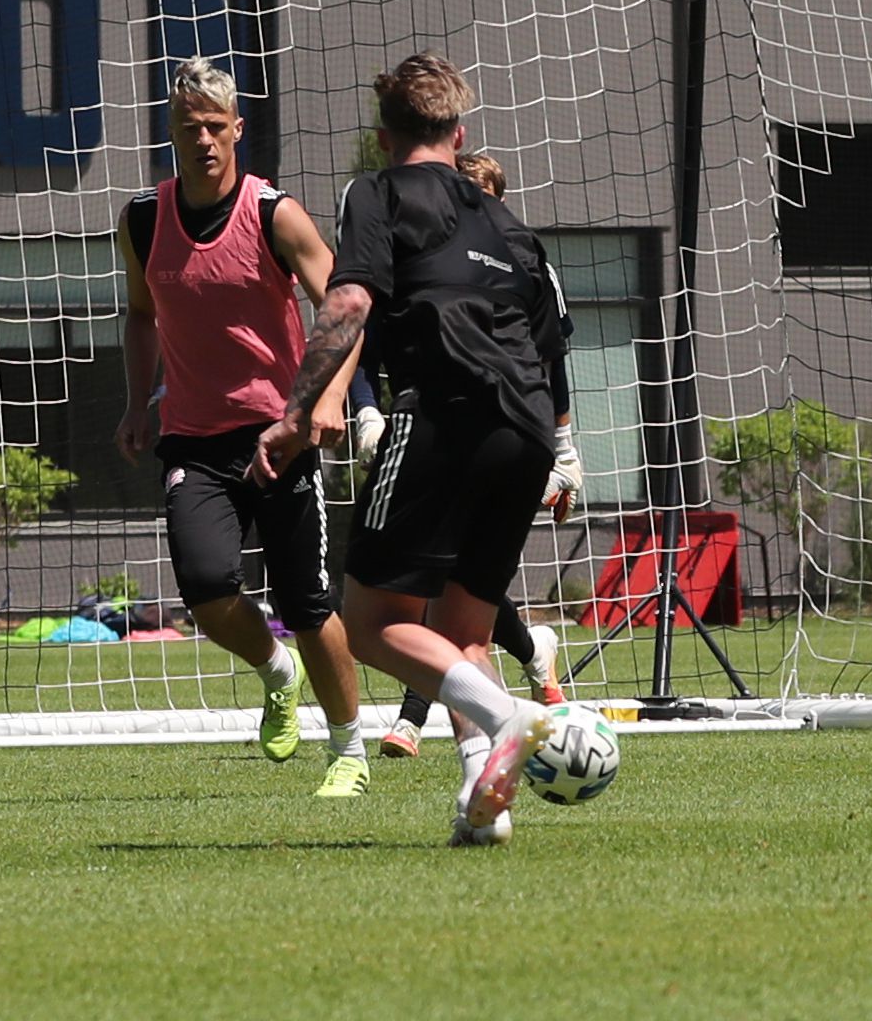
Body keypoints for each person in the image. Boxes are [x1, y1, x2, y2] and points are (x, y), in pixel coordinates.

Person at [312, 55, 577, 844]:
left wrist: (306, 407)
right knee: (463, 631)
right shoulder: (509, 223)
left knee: (367, 622)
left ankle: (507, 716)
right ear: (458, 135)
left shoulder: (374, 191)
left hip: (442, 416)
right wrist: (564, 449)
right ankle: (479, 810)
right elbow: (549, 344)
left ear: (383, 135)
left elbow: (351, 298)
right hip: (527, 431)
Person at [116, 58, 376, 797]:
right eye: (185, 127)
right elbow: (139, 315)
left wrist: (327, 400)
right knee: (204, 586)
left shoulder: (273, 212)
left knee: (307, 601)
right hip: (193, 440)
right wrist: (138, 401)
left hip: (281, 435)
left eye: (212, 126)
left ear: (236, 129)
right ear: (169, 133)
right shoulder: (142, 218)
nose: (200, 139)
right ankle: (274, 668)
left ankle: (348, 751)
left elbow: (348, 303)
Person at [374, 148, 576, 761]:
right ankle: (528, 660)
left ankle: (421, 719)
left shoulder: (522, 256)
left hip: (508, 437)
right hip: (439, 434)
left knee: (433, 601)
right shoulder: (428, 258)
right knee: (448, 599)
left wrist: (565, 450)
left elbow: (553, 356)